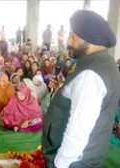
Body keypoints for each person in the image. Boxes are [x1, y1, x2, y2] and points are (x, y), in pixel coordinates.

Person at [41, 10, 120, 168]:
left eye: (73, 36)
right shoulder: (103, 64)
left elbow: (78, 131)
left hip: (72, 161)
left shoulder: (90, 74)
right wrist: (63, 90)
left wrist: (60, 164)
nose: (68, 41)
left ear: (91, 39)